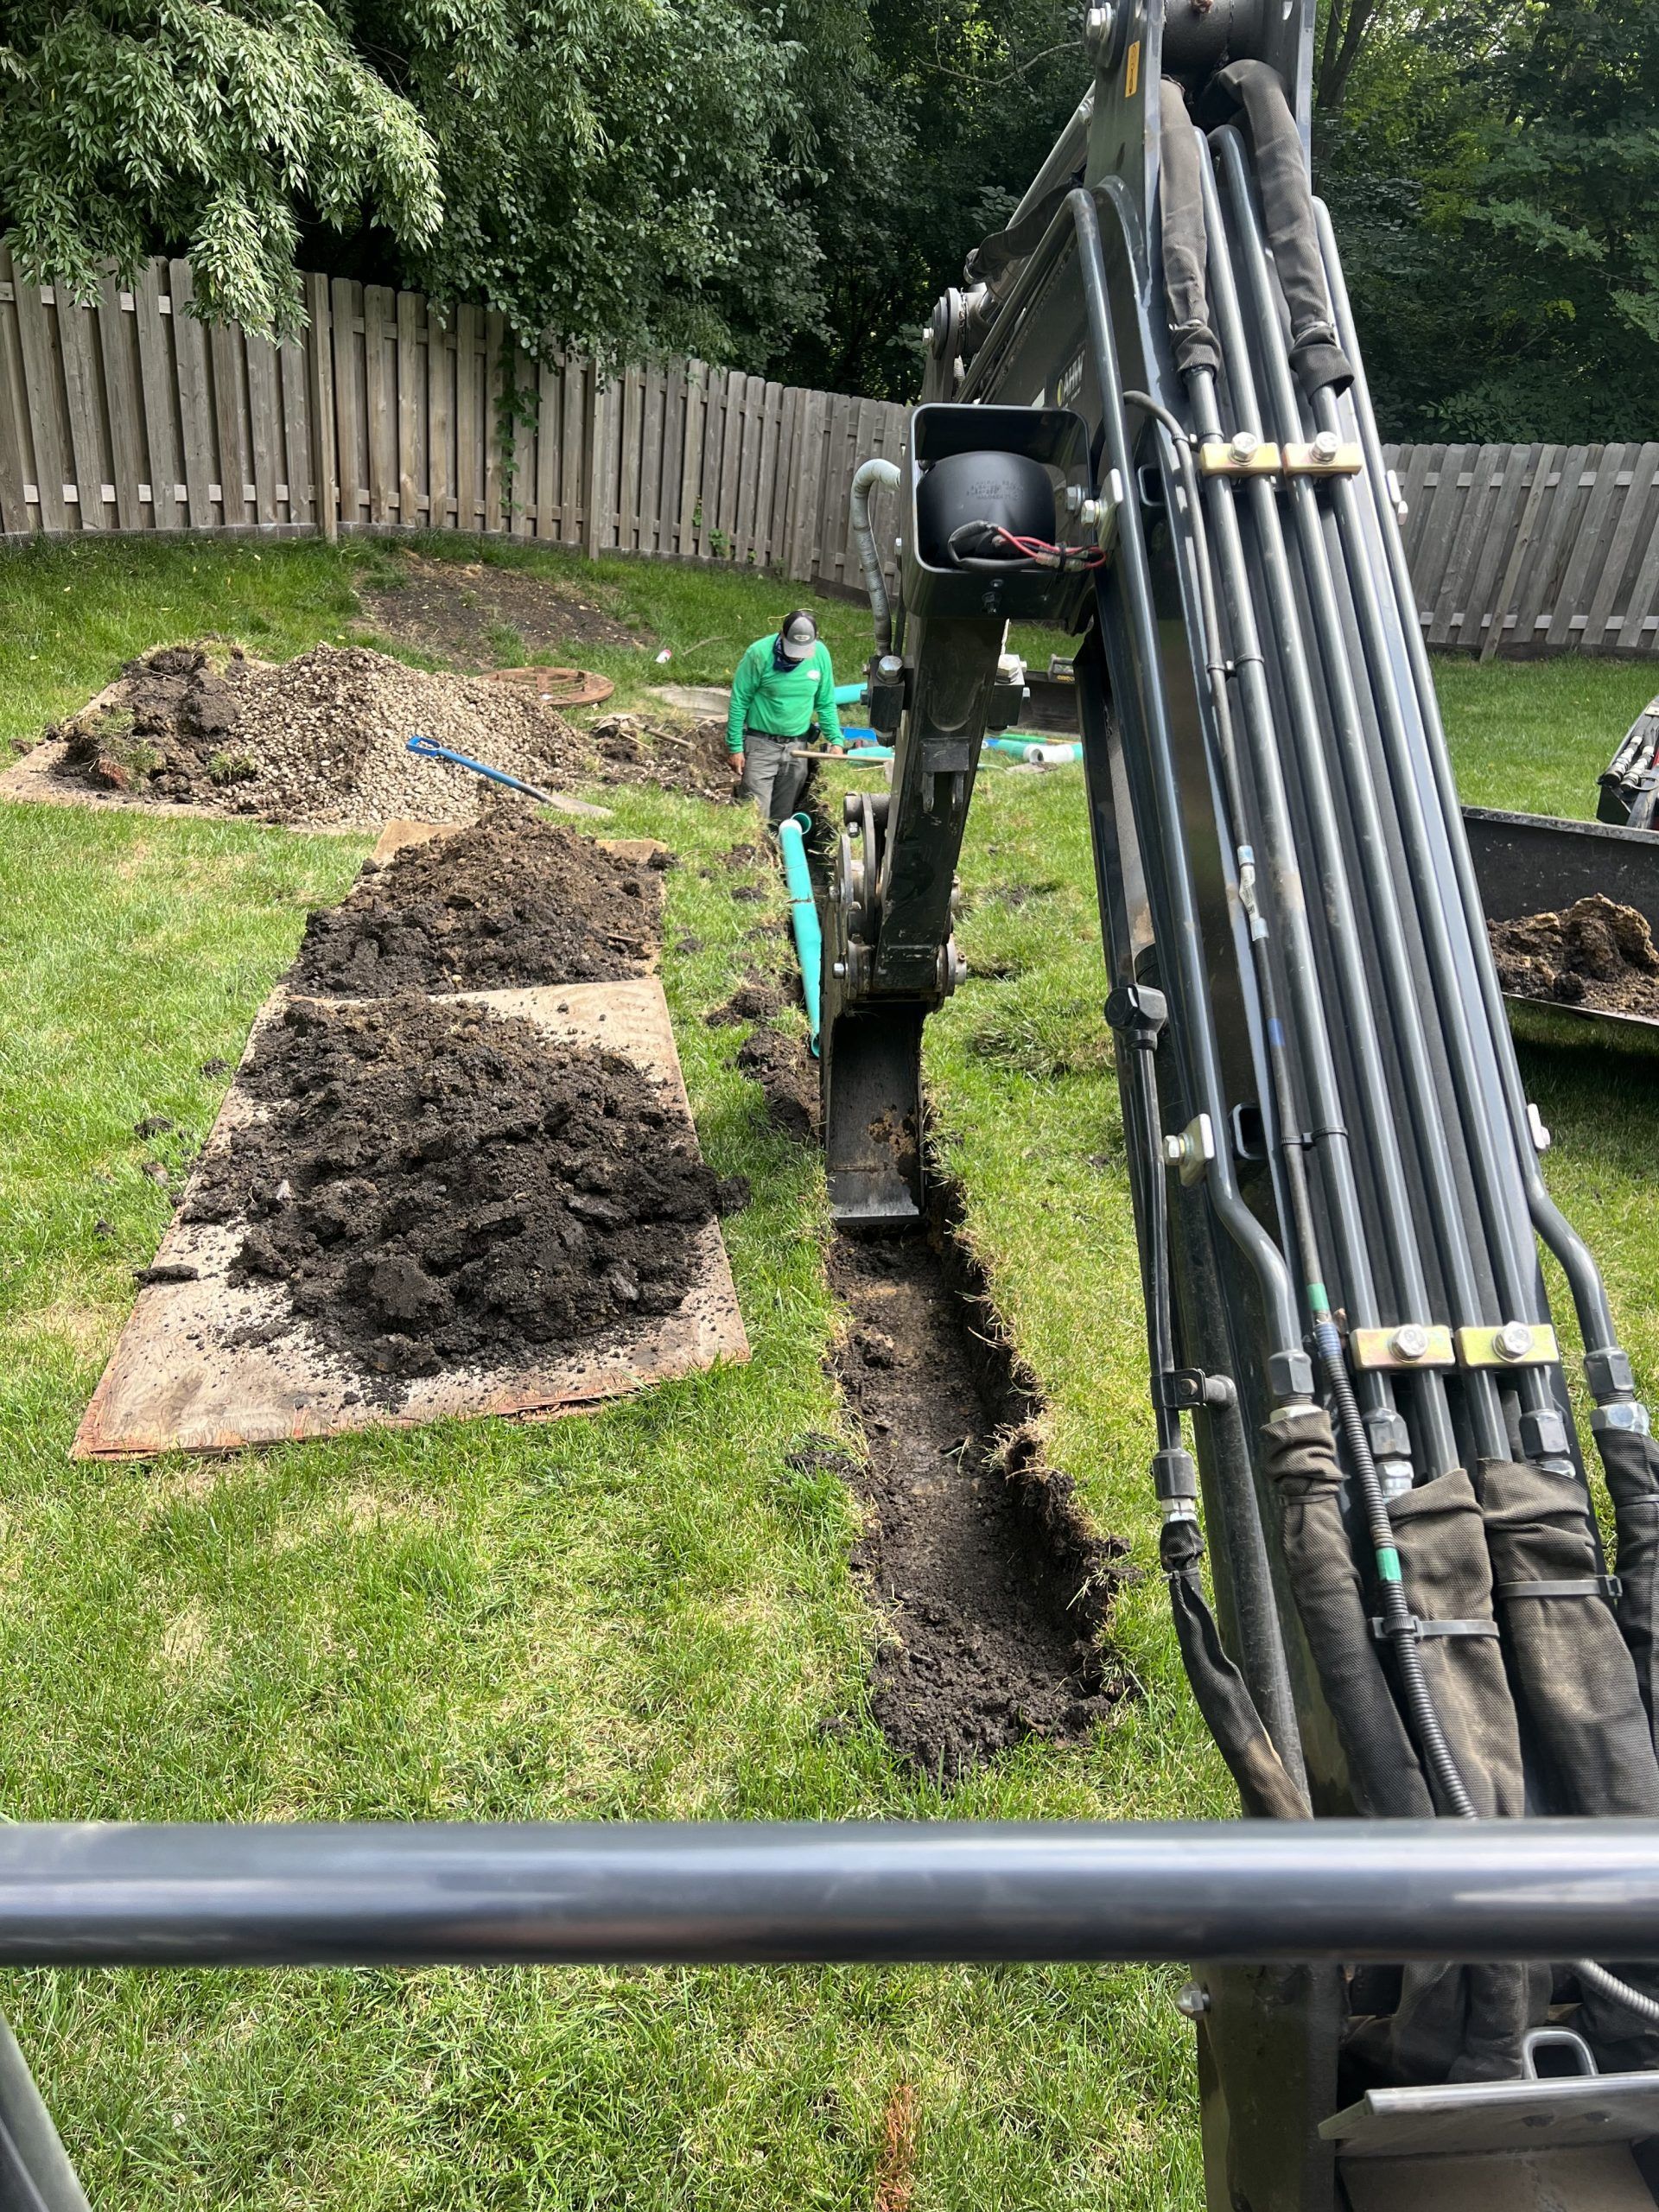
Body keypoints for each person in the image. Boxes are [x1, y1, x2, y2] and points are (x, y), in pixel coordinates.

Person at [726, 610, 843, 830]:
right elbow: (739, 701)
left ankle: (779, 859)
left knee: (782, 820)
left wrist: (836, 740)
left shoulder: (820, 655)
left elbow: (826, 702)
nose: (797, 656)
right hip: (761, 745)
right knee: (755, 818)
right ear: (782, 635)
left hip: (798, 748)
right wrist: (735, 747)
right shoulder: (758, 654)